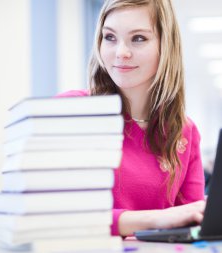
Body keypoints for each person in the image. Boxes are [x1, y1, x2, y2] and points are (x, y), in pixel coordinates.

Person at [57, 0, 205, 237]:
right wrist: (156, 218)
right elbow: (56, 213)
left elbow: (191, 224)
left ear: (166, 46)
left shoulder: (184, 132)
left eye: (138, 38)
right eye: (110, 37)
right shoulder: (73, 111)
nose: (121, 52)